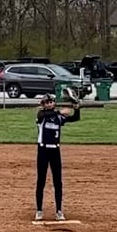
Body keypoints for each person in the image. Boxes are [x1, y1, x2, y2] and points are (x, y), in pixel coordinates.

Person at [33, 91, 79, 221]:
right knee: (41, 181)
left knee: (58, 182)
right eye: (46, 102)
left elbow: (75, 118)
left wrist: (77, 108)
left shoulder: (58, 117)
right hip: (43, 150)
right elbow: (45, 115)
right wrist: (60, 111)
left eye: (51, 102)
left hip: (55, 151)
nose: (49, 104)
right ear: (43, 105)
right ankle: (39, 210)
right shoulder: (41, 115)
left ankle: (59, 211)